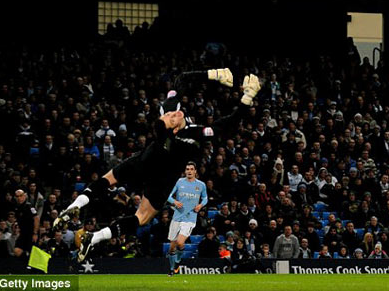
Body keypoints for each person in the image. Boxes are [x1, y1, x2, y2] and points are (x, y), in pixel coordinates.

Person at [53, 69, 260, 263]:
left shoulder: (173, 112)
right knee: (139, 215)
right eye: (170, 118)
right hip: (161, 174)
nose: (172, 115)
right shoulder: (194, 133)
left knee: (119, 192)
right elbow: (227, 123)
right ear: (174, 130)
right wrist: (245, 99)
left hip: (148, 162)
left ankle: (82, 219)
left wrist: (213, 74)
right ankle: (79, 215)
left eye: (170, 115)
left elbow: (182, 80)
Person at [166, 162, 208, 276]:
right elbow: (168, 195)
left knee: (180, 242)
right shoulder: (179, 182)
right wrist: (174, 201)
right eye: (187, 169)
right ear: (185, 171)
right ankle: (171, 269)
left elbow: (205, 198)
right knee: (171, 247)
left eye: (191, 169)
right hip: (177, 217)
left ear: (195, 171)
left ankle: (178, 261)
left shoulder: (201, 185)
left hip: (190, 218)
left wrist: (200, 205)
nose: (189, 171)